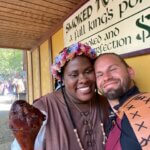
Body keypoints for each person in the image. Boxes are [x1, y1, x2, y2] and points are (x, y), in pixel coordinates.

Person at [11, 43, 108, 150]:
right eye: (74, 75)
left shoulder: (106, 102)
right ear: (62, 79)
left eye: (89, 71)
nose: (84, 79)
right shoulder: (43, 109)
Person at [94, 53, 150, 150]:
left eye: (113, 69)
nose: (106, 77)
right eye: (99, 74)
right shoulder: (108, 115)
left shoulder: (147, 105)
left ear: (130, 72)